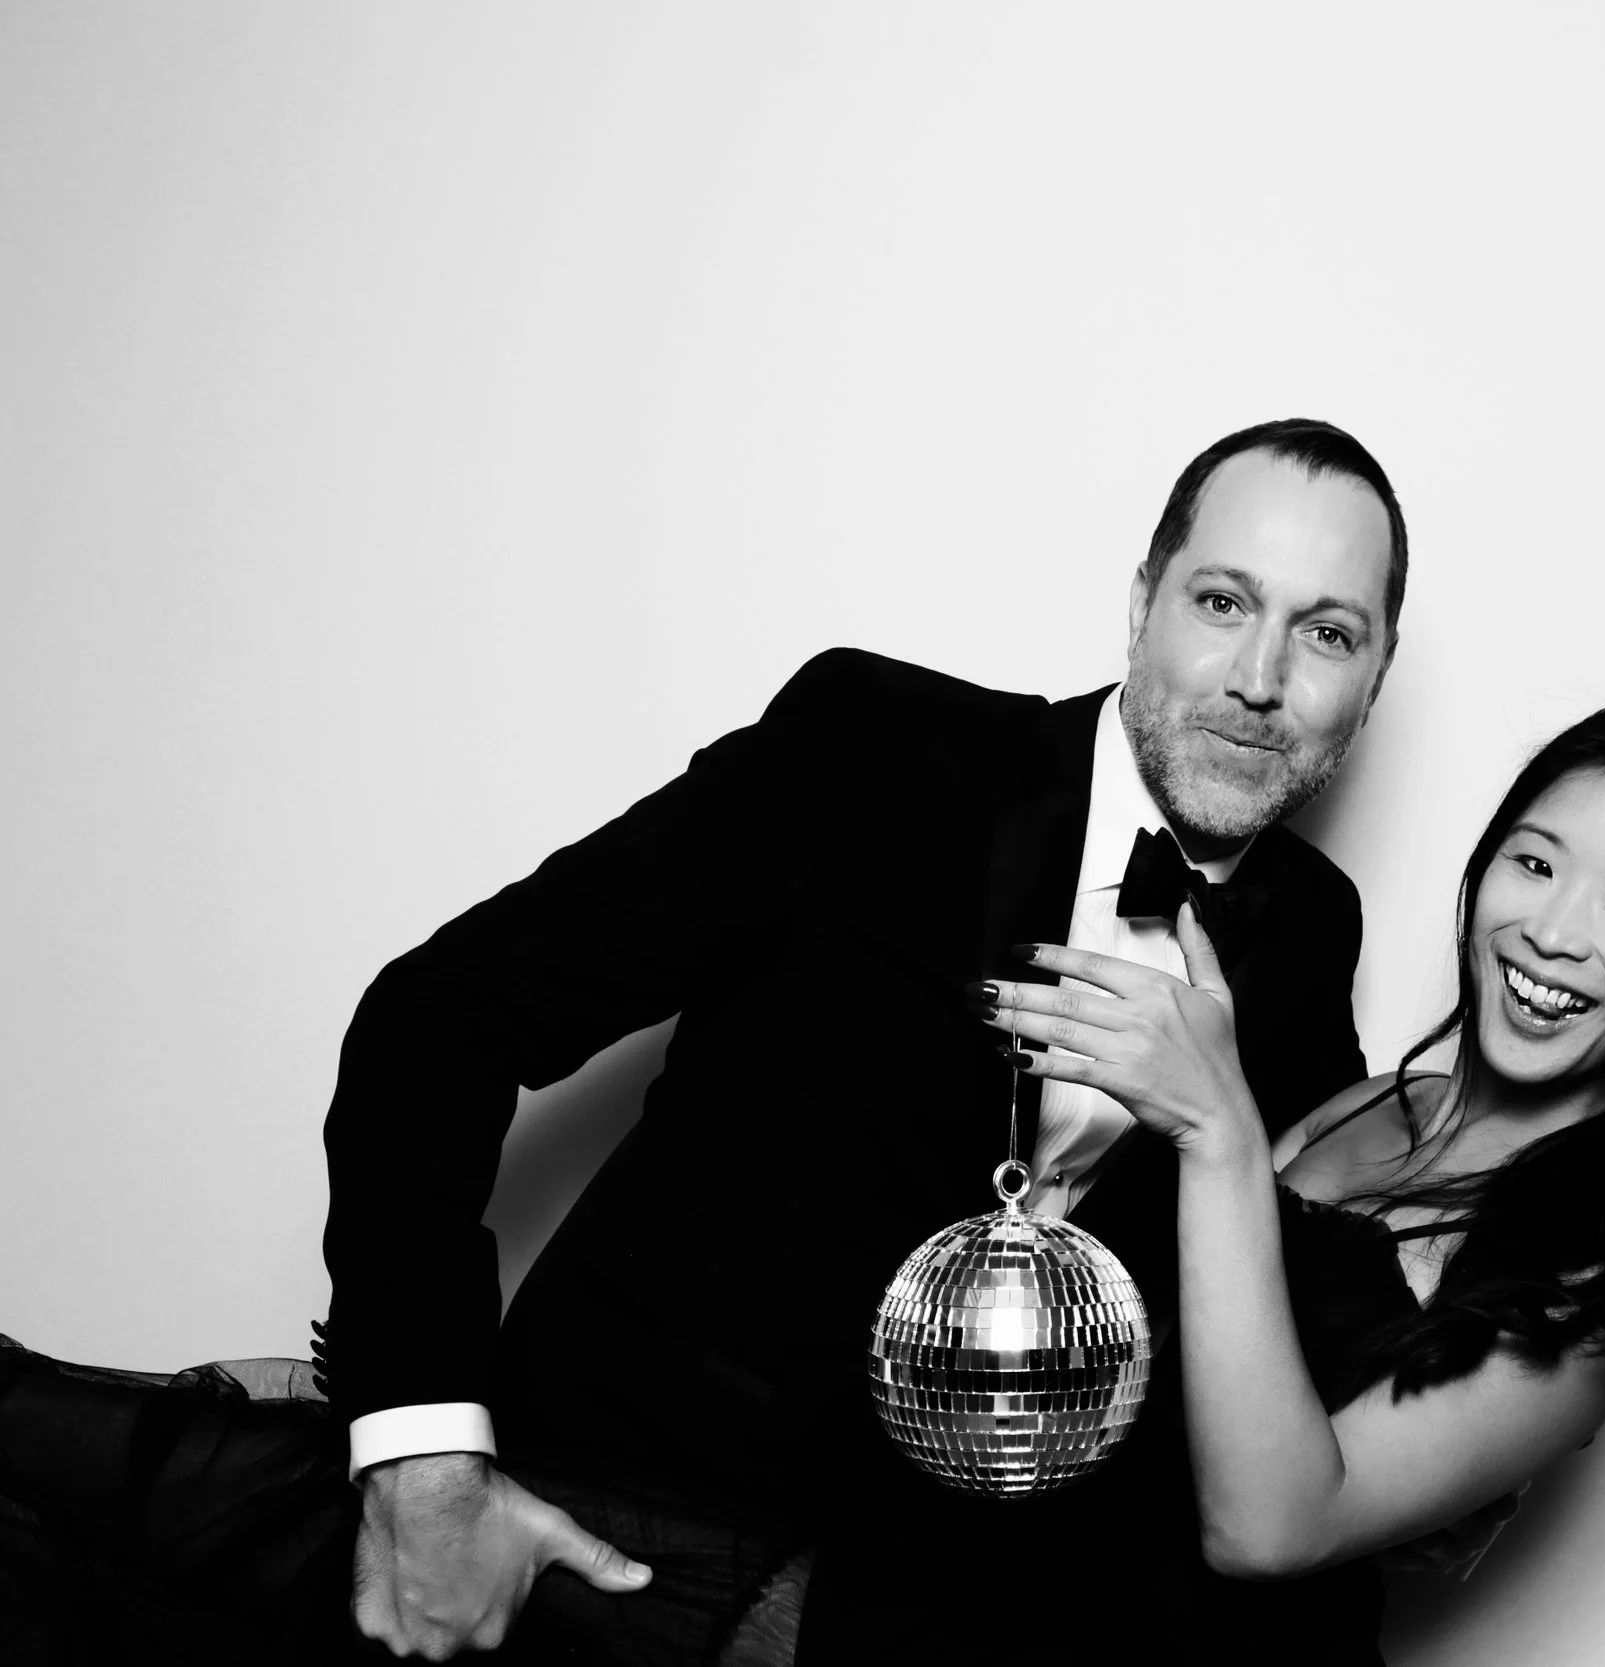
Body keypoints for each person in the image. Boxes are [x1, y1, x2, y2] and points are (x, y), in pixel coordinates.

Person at [0, 417, 1483, 1662]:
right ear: (1148, 593)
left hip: (896, 1608)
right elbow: (442, 1012)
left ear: (1376, 667)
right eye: (1224, 600)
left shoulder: (1307, 932)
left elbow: (1279, 1313)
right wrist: (429, 1452)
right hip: (599, 1497)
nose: (1262, 675)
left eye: (1328, 630)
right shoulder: (876, 751)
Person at [974, 701, 1605, 1664]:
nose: (1557, 931)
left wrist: (1220, 1129)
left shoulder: (1581, 1293)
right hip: (1022, 1614)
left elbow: (1269, 1529)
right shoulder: (1367, 1100)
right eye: (1534, 862)